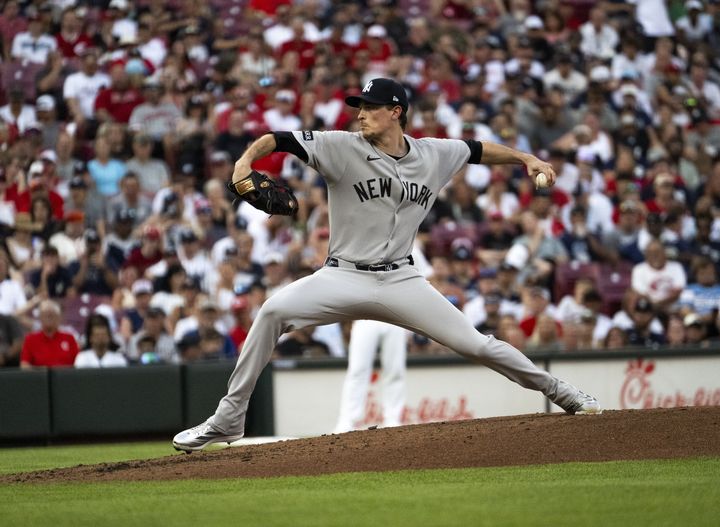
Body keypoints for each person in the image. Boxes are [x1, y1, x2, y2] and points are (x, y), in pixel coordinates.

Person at [173, 77, 601, 452]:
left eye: (370, 108)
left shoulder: (434, 153)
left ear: (396, 112)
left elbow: (479, 150)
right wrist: (245, 162)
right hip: (342, 275)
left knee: (476, 344)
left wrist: (527, 159)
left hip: (402, 280)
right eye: (358, 107)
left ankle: (562, 393)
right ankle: (228, 419)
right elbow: (279, 138)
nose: (360, 114)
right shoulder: (341, 146)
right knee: (271, 312)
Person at [334, 320, 408, 433]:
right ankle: (347, 421)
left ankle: (393, 418)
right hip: (365, 314)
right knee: (357, 370)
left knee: (395, 370)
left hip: (395, 315)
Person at [20, 300, 80, 368]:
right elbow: (24, 365)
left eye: (51, 315)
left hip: (66, 377)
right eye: (45, 315)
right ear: (40, 317)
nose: (48, 319)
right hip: (40, 377)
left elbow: (78, 363)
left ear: (59, 317)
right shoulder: (30, 339)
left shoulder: (69, 338)